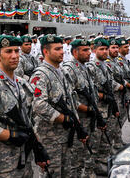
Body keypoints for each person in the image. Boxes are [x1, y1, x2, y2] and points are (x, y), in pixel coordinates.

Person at [0, 35, 50, 177]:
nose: (14, 56)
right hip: (2, 164)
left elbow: (29, 121)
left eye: (16, 51)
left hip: (25, 160)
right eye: (8, 51)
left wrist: (38, 148)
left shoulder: (22, 84)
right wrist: (10, 135)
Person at [30, 34, 89, 177]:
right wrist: (63, 118)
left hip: (65, 135)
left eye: (62, 48)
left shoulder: (62, 72)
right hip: (49, 137)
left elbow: (71, 99)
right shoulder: (40, 75)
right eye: (57, 49)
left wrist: (76, 122)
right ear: (45, 52)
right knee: (52, 173)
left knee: (66, 172)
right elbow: (39, 104)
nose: (62, 52)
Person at [63, 39, 106, 177]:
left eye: (89, 49)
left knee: (85, 153)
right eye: (85, 50)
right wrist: (87, 109)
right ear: (75, 52)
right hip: (79, 120)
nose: (89, 53)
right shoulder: (69, 69)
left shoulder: (84, 67)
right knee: (75, 158)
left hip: (88, 119)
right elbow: (69, 100)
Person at [86, 38, 121, 175]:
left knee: (105, 139)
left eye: (106, 49)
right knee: (94, 142)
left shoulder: (105, 66)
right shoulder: (91, 67)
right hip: (97, 110)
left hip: (108, 109)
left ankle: (101, 164)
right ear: (94, 50)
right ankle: (89, 170)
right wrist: (103, 96)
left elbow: (111, 85)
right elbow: (90, 90)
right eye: (101, 49)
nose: (105, 51)